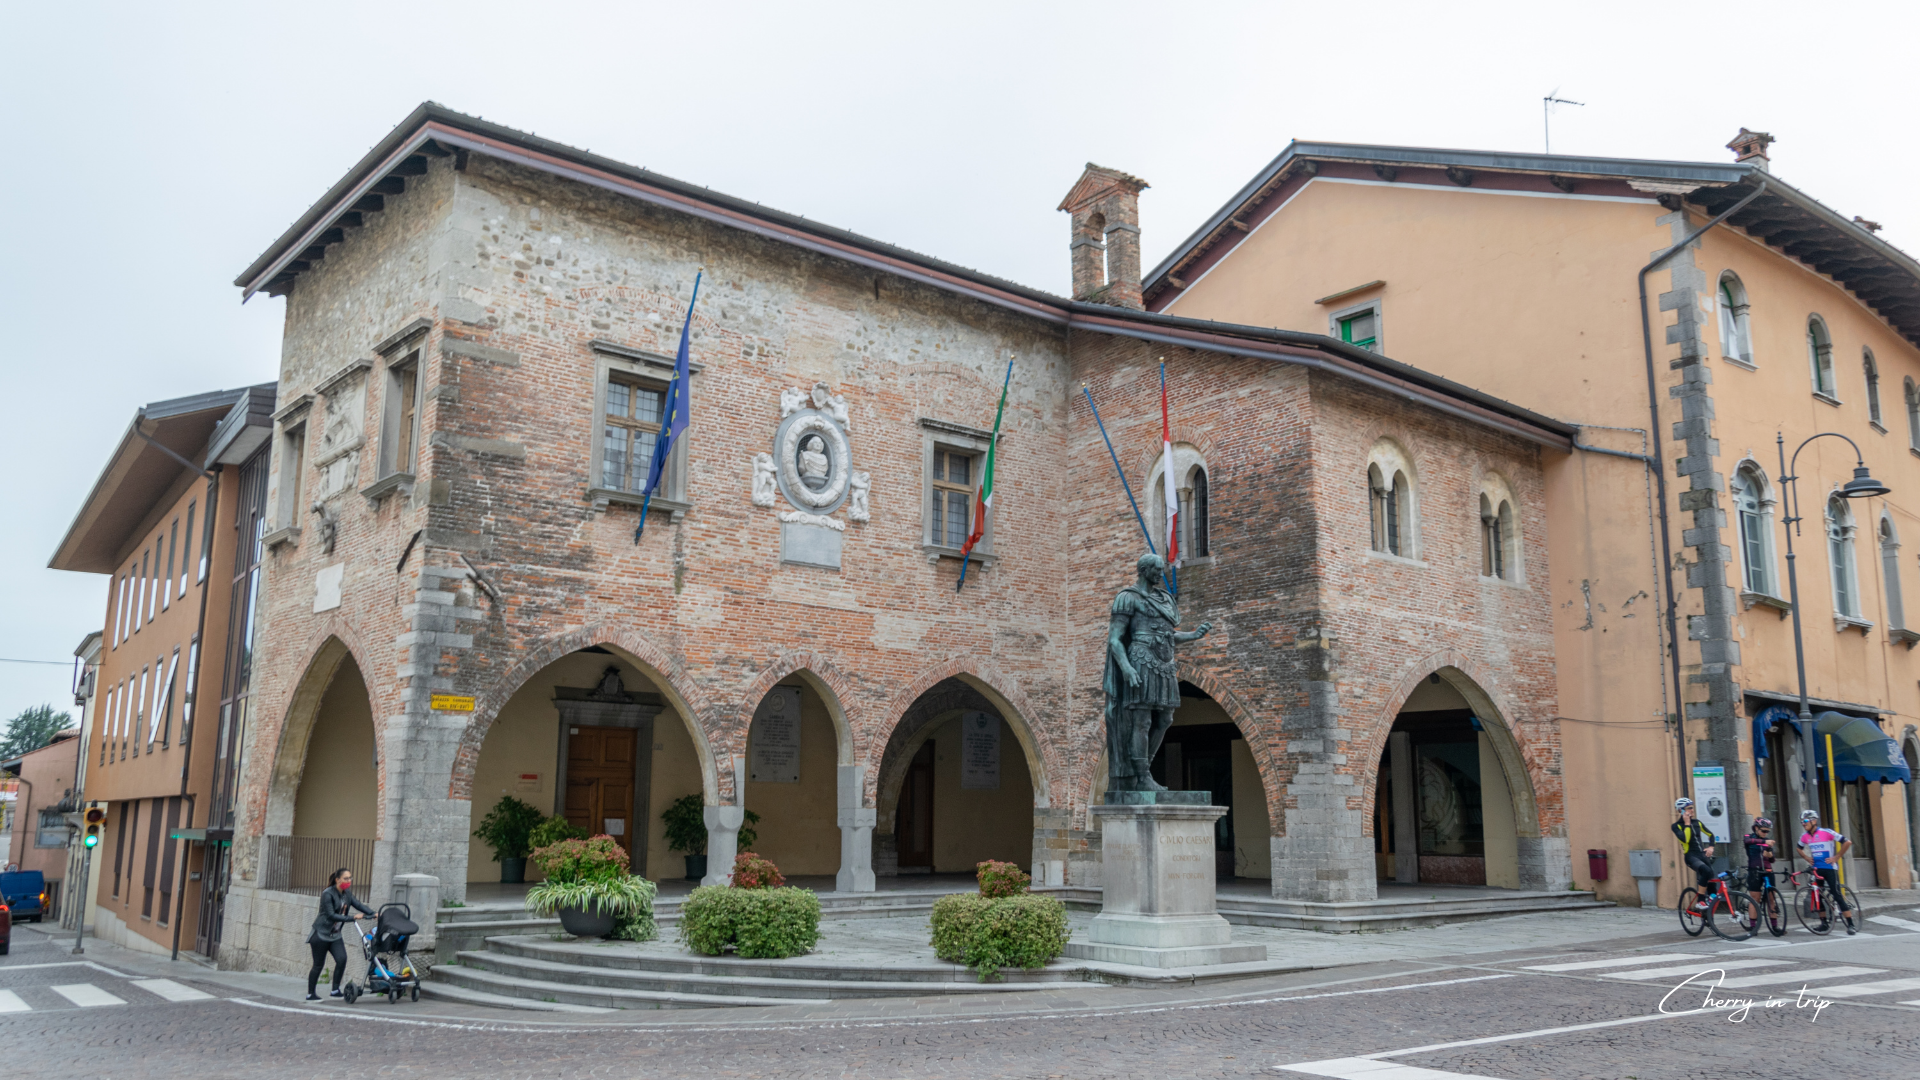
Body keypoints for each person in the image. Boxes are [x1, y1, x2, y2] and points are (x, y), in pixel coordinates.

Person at [306, 867, 375, 1000]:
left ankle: (335, 990)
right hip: (321, 935)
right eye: (346, 878)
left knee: (342, 959)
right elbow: (331, 915)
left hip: (335, 935)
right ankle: (311, 993)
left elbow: (359, 905)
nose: (348, 881)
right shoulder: (328, 894)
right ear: (337, 880)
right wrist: (353, 918)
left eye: (350, 878)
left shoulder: (347, 893)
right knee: (318, 965)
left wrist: (373, 913)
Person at [1795, 809, 1855, 935]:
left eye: (1805, 821)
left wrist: (1837, 857)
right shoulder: (1804, 836)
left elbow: (1847, 842)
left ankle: (1850, 924)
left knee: (1836, 894)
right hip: (1816, 869)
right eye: (1801, 822)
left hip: (1829, 869)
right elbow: (1798, 848)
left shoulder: (1826, 832)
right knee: (1817, 896)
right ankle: (1824, 923)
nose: (1803, 823)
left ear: (1814, 821)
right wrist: (1806, 858)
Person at [1671, 797, 1715, 912]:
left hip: (1702, 854)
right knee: (1705, 870)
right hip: (1691, 856)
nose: (1692, 810)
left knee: (1711, 875)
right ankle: (1700, 901)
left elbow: (1711, 835)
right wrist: (1687, 823)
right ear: (1681, 811)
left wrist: (1711, 847)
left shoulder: (1697, 823)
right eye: (1689, 808)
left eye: (1692, 807)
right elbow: (1685, 839)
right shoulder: (1676, 826)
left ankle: (1711, 901)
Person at [1742, 816, 1776, 903]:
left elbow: (1772, 860)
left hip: (1768, 870)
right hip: (1754, 871)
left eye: (1767, 831)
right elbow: (1747, 841)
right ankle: (1753, 917)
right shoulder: (1748, 836)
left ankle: (1773, 916)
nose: (1765, 833)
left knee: (1772, 898)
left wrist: (1770, 855)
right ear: (1756, 828)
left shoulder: (1767, 840)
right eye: (1763, 831)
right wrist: (1764, 842)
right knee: (1755, 899)